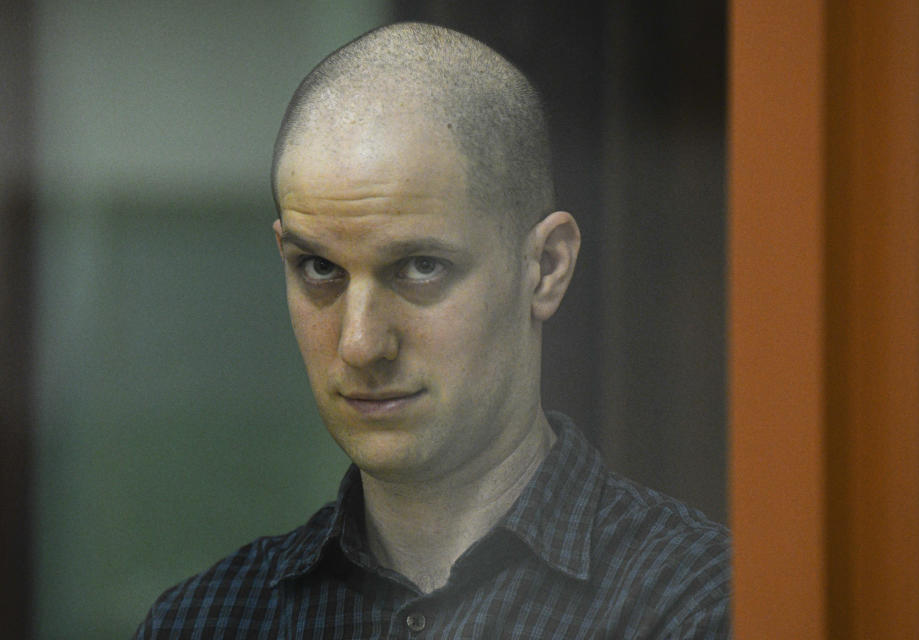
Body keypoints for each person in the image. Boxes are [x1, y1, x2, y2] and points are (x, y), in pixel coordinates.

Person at [135, 22, 729, 639]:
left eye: (420, 268)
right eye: (320, 268)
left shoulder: (700, 608)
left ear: (547, 267)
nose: (360, 344)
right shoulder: (206, 624)